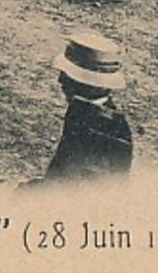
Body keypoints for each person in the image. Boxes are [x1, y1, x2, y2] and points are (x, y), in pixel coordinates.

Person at [41, 32, 134, 183]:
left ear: (89, 85)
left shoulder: (104, 131)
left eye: (69, 76)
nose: (60, 80)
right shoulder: (86, 111)